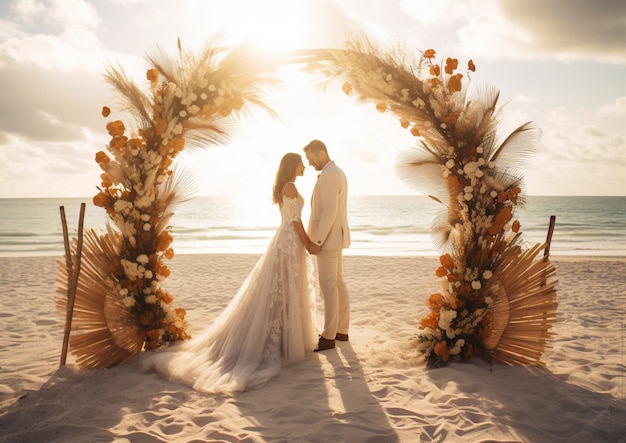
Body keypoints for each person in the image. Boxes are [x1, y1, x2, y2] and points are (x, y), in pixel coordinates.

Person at [141, 153, 317, 394]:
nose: (304, 166)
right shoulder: (290, 186)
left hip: (285, 240)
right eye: (301, 163)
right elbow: (295, 221)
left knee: (283, 291)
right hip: (289, 241)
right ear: (292, 165)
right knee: (282, 290)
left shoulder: (283, 187)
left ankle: (282, 340)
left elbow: (288, 219)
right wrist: (307, 243)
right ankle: (276, 344)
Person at [303, 139, 351, 352]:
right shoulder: (337, 171)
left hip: (328, 241)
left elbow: (330, 211)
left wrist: (317, 241)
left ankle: (329, 336)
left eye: (312, 159)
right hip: (336, 238)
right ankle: (341, 330)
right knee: (338, 283)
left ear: (321, 153)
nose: (310, 163)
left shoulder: (330, 175)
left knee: (328, 287)